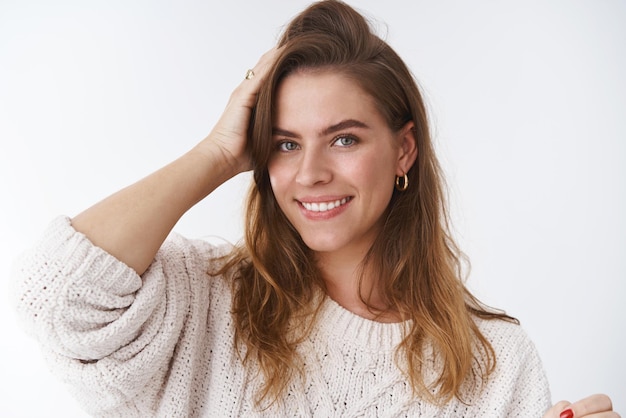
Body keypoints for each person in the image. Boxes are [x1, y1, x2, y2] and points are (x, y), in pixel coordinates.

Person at [10, 1, 618, 417]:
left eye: (345, 138)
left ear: (404, 148)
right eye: (285, 143)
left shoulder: (492, 362)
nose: (310, 173)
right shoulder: (205, 300)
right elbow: (53, 298)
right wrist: (219, 152)